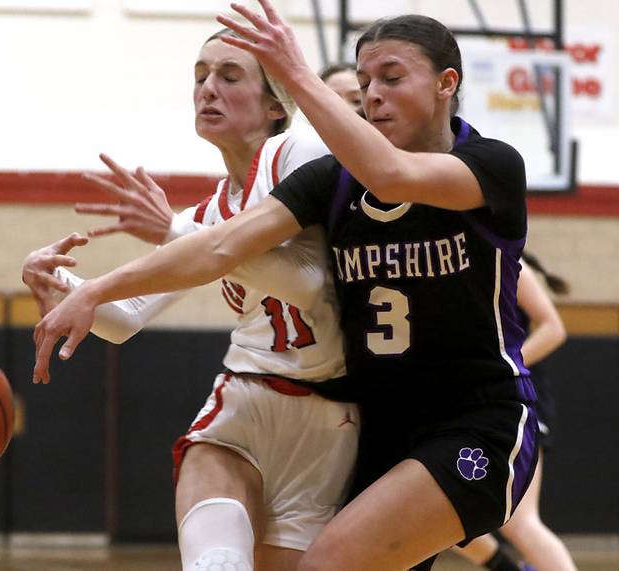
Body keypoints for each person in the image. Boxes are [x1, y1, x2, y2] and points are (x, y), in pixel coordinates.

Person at [31, 1, 539, 569]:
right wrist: (93, 289)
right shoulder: (331, 180)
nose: (372, 93)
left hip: (474, 418)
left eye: (391, 78)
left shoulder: (492, 165)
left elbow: (393, 175)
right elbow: (220, 245)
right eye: (365, 80)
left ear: (448, 83)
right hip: (381, 426)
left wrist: (295, 72)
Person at [23, 28, 360, 571]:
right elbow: (125, 320)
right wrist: (61, 287)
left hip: (331, 417)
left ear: (276, 104)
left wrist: (178, 236)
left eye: (229, 76)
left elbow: (312, 287)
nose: (208, 88)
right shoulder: (205, 216)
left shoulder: (296, 151)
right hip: (247, 397)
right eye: (200, 75)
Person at [456, 254, 576, 571]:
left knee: (520, 520)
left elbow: (554, 328)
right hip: (475, 400)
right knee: (448, 508)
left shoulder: (504, 257)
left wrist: (503, 366)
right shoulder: (452, 256)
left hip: (519, 396)